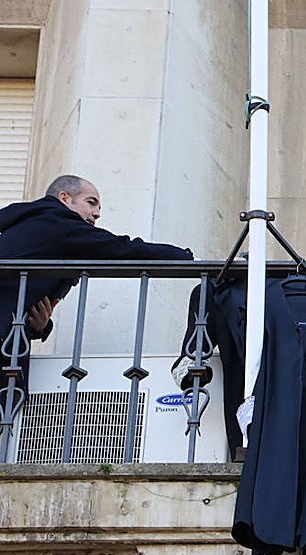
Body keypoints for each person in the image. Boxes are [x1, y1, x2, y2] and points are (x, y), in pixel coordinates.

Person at [0, 175, 194, 412]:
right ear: (65, 198)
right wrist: (186, 259)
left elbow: (17, 297)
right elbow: (124, 249)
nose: (98, 213)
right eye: (91, 202)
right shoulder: (57, 223)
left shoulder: (27, 224)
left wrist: (39, 328)